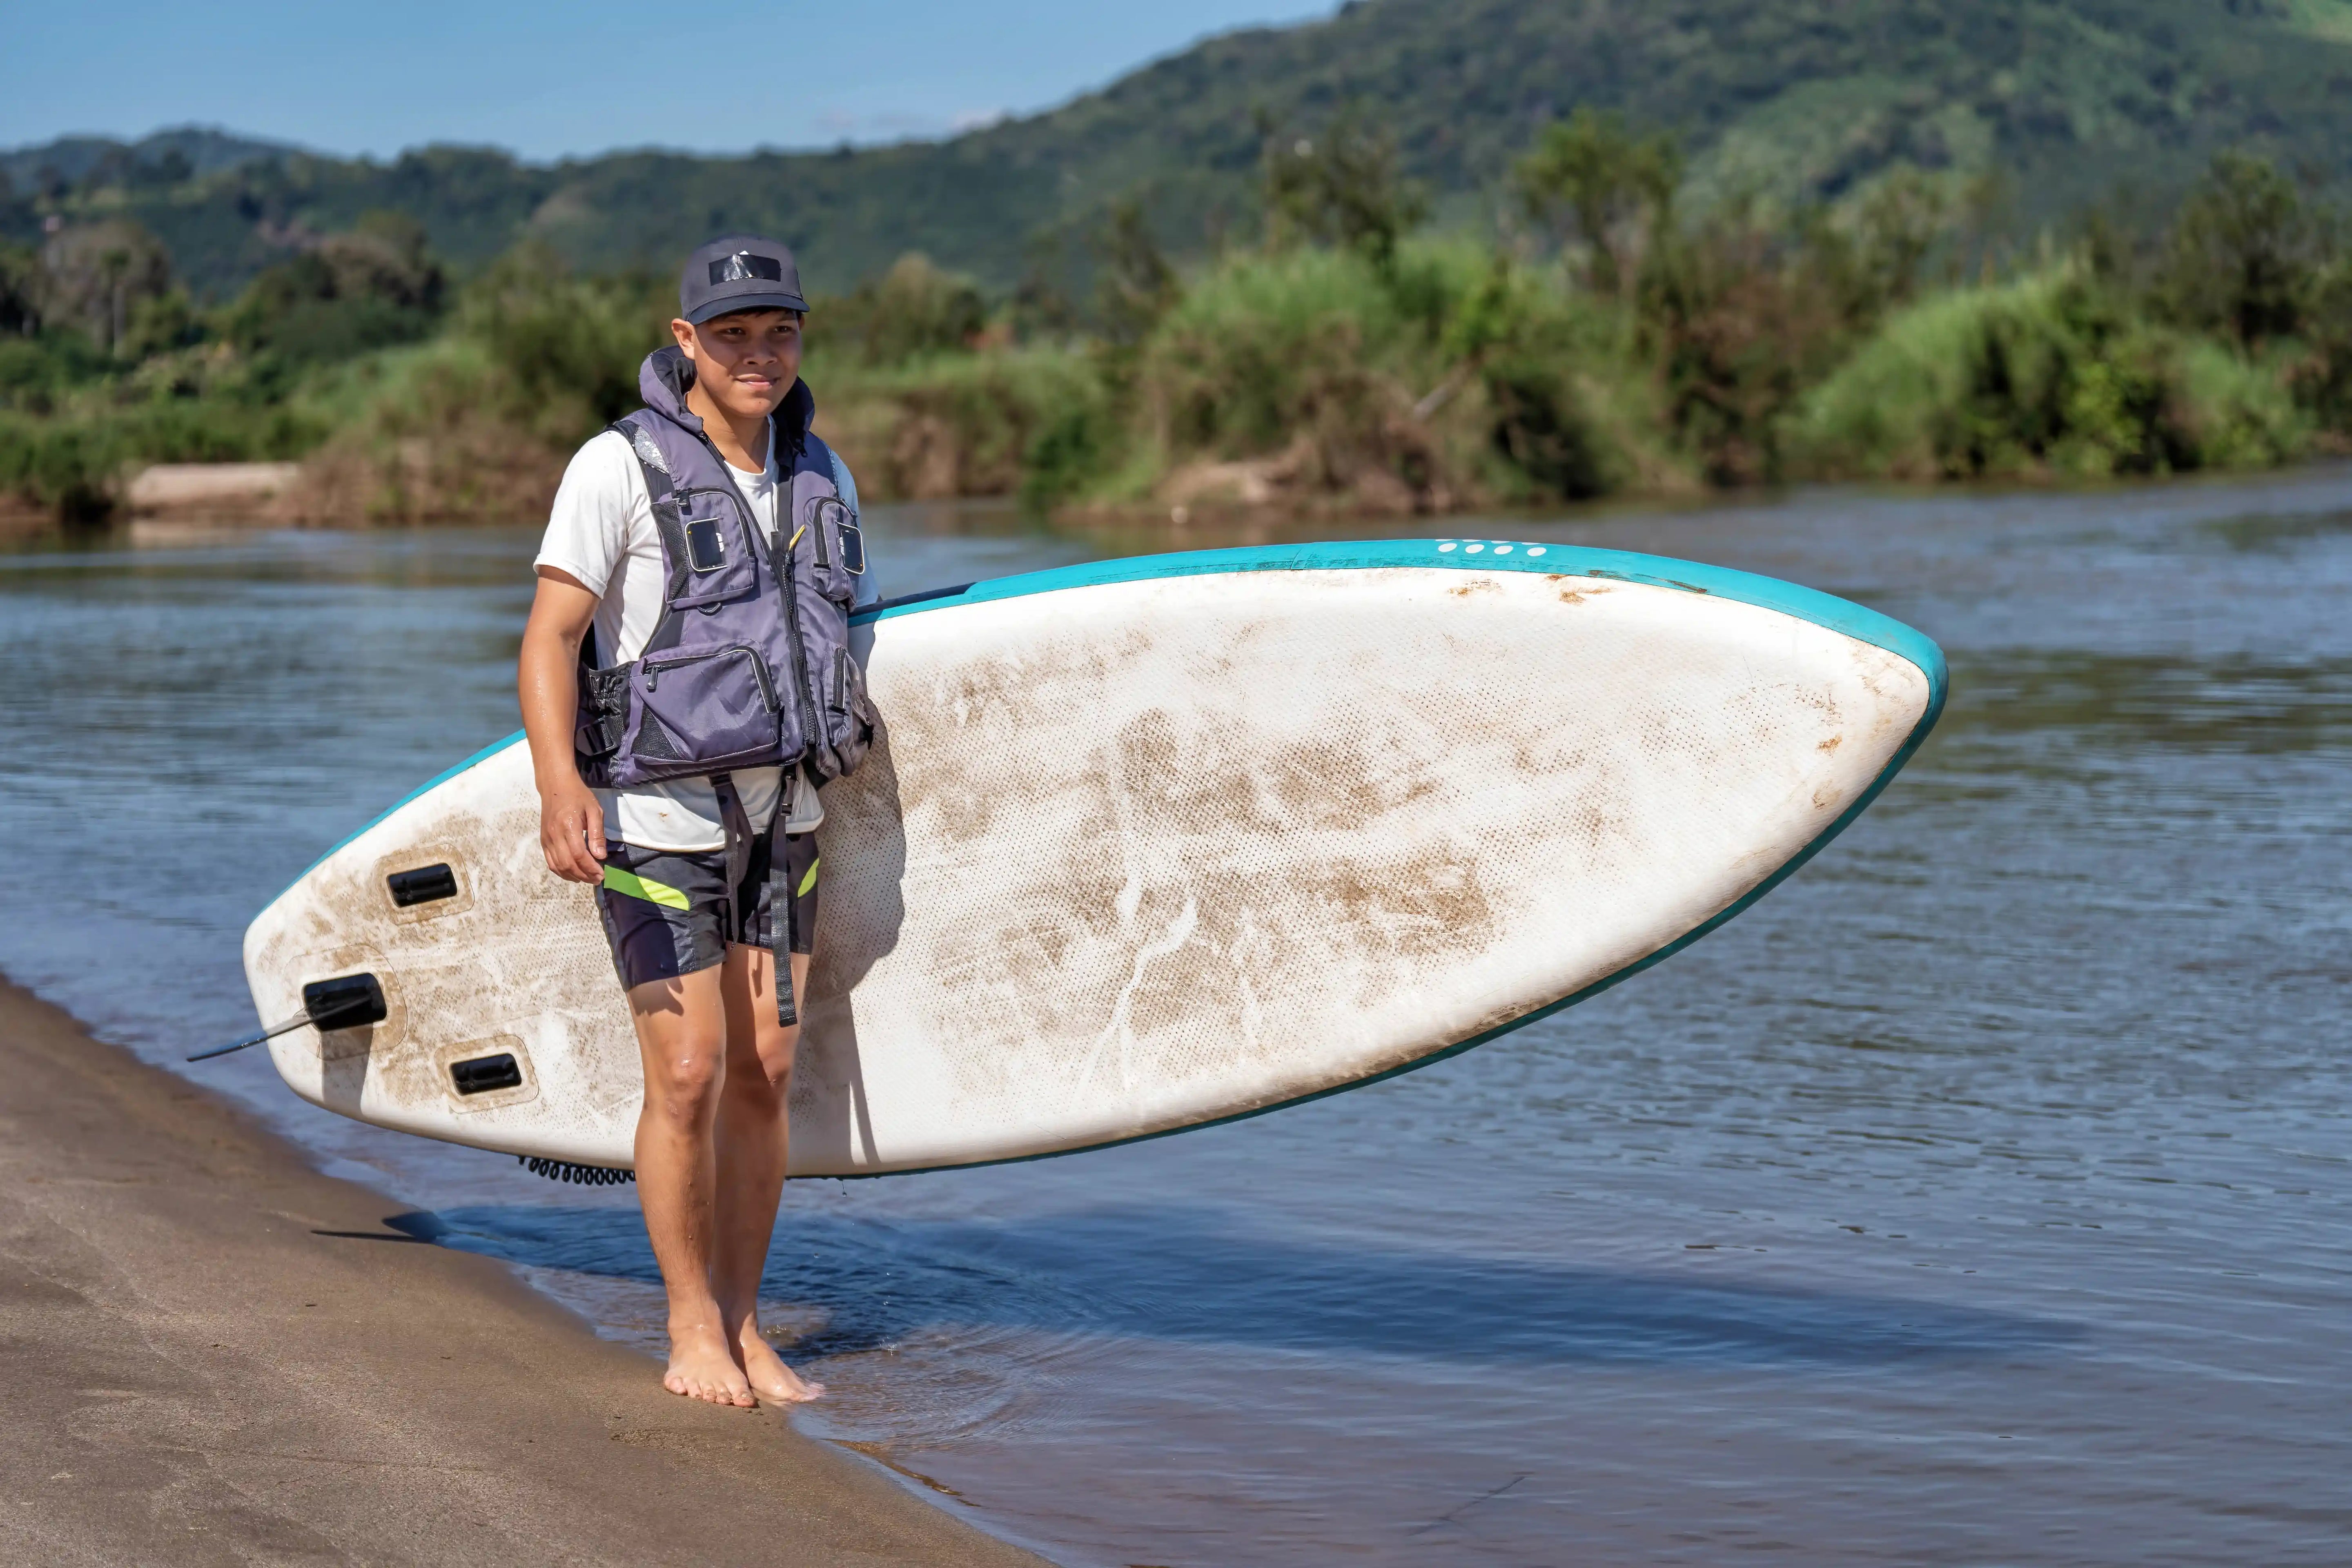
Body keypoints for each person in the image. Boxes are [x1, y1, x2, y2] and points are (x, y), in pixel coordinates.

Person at [517, 235, 878, 1408]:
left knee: (767, 1070)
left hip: (788, 819)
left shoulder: (826, 475)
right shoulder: (614, 469)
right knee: (687, 1072)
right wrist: (559, 786)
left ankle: (745, 1321)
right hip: (659, 819)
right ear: (687, 343)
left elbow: (847, 643)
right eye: (732, 335)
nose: (758, 354)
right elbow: (550, 640)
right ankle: (688, 1325)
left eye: (779, 332)